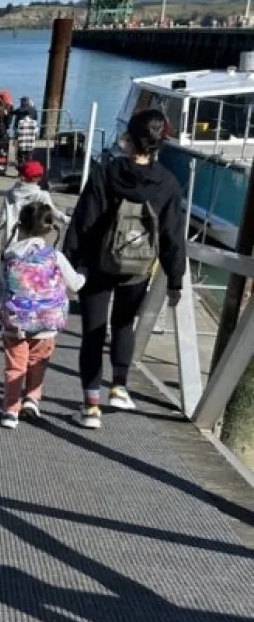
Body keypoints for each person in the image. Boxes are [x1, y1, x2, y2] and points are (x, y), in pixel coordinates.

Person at [64, 107, 186, 429]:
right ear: (160, 143)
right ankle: (119, 387)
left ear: (128, 138)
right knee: (123, 325)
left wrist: (68, 262)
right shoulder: (167, 183)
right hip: (138, 268)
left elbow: (83, 221)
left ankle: (91, 409)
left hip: (97, 265)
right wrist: (175, 280)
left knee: (92, 333)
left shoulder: (107, 173)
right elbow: (173, 235)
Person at [0, 202, 85, 428]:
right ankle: (32, 400)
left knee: (15, 366)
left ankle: (10, 411)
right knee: (38, 363)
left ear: (21, 226)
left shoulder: (9, 255)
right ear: (48, 229)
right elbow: (74, 285)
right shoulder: (54, 255)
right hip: (47, 322)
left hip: (15, 322)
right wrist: (84, 274)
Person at [0, 159, 69, 249]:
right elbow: (53, 212)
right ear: (39, 178)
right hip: (33, 241)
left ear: (22, 176)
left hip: (11, 241)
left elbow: (2, 219)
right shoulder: (41, 195)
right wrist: (68, 220)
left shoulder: (10, 193)